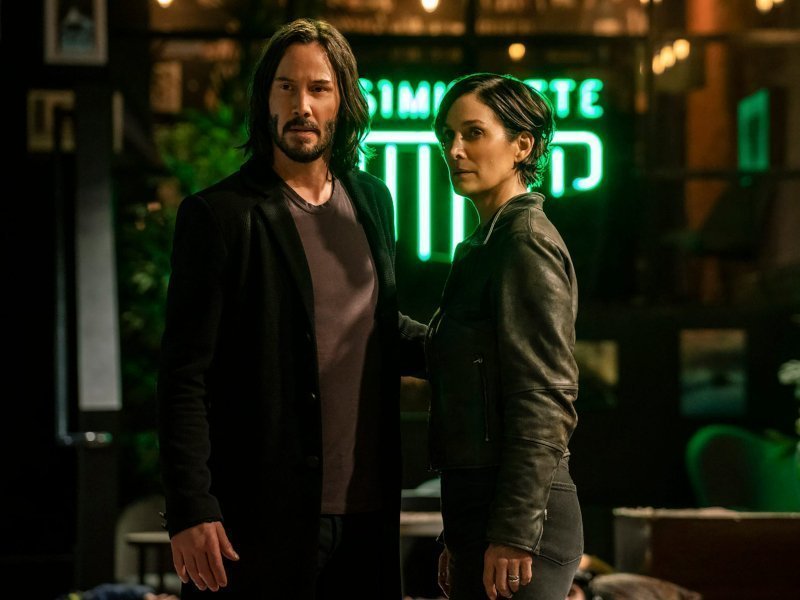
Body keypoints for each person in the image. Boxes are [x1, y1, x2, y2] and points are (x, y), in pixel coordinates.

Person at [156, 18, 426, 599]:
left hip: (368, 516)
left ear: (342, 102)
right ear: (266, 99)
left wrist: (472, 346)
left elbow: (375, 326)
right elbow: (183, 377)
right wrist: (190, 506)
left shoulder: (373, 199)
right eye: (287, 87)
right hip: (255, 521)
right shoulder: (219, 216)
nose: (302, 105)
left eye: (318, 88)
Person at [426, 73, 583, 600]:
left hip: (522, 525)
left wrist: (514, 532)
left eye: (473, 133)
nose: (454, 150)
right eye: (447, 135)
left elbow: (546, 397)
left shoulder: (524, 241)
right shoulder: (489, 243)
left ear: (522, 145)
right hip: (484, 513)